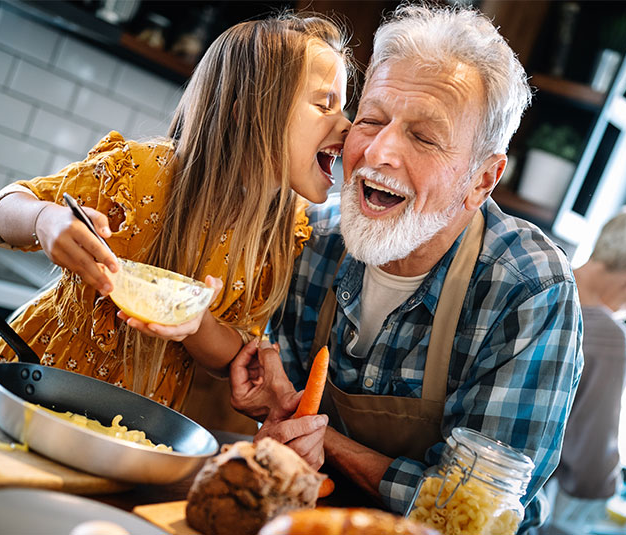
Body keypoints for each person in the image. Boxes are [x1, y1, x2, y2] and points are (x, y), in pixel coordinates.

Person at [229, 3, 583, 529]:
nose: (379, 151)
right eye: (371, 120)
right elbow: (287, 438)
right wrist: (276, 408)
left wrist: (325, 439)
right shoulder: (315, 243)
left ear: (482, 180)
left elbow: (469, 514)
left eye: (423, 137)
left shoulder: (527, 290)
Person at [0, 13, 352, 440]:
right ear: (247, 114)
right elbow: (2, 208)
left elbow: (231, 355)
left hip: (131, 428)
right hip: (30, 385)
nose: (346, 124)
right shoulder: (141, 174)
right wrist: (45, 220)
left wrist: (197, 323)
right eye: (325, 105)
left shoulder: (282, 232)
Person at [541, 199, 626, 532]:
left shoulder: (538, 274)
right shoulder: (609, 340)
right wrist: (609, 485)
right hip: (506, 503)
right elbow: (590, 468)